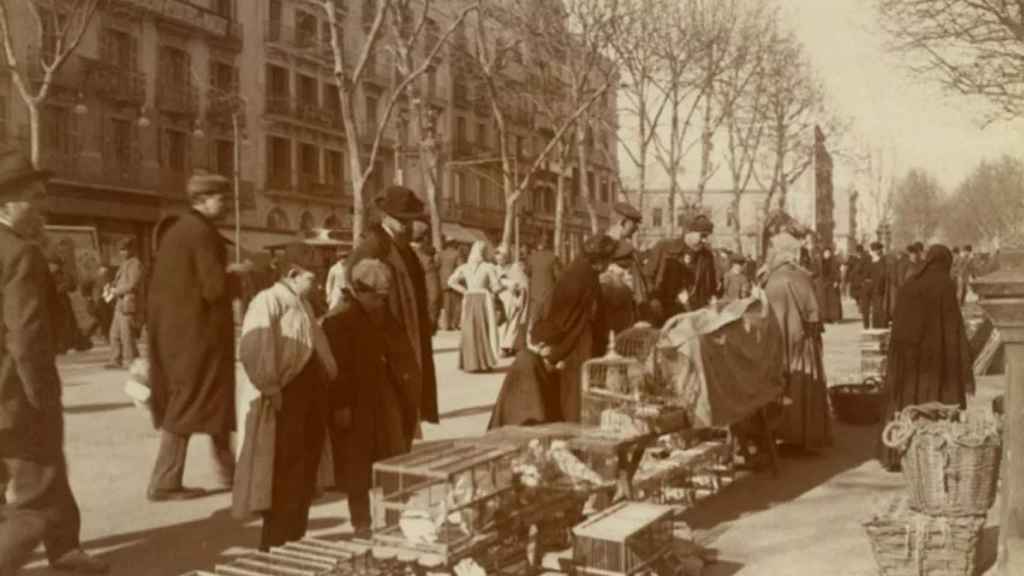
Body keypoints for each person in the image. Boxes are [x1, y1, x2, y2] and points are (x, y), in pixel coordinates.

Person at [0, 146, 109, 574]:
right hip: (16, 392)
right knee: (36, 492)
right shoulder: (20, 254)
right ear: (9, 202)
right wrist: (42, 395)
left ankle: (65, 549)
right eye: (37, 197)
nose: (45, 204)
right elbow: (26, 336)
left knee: (44, 472)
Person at [147, 173, 249, 501]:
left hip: (179, 334)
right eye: (221, 198)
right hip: (199, 336)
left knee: (210, 404)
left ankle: (232, 473)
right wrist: (238, 276)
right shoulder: (202, 234)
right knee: (189, 405)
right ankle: (164, 481)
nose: (227, 204)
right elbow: (213, 288)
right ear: (202, 200)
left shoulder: (177, 230)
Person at [233, 242, 338, 550]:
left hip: (310, 402)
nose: (318, 281)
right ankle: (275, 546)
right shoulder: (268, 302)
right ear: (293, 273)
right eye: (312, 275)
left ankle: (295, 541)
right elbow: (254, 349)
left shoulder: (303, 303)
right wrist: (272, 389)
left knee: (304, 477)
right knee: (284, 478)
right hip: (286, 401)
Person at [323, 259, 421, 537]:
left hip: (385, 398)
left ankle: (395, 518)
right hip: (355, 404)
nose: (381, 302)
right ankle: (362, 523)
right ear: (360, 291)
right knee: (357, 466)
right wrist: (340, 405)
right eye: (377, 298)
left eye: (384, 298)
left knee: (394, 459)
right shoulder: (338, 320)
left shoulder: (382, 314)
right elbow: (335, 370)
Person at [346, 185, 439, 428]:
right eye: (403, 221)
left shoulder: (403, 246)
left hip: (406, 336)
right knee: (390, 416)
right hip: (385, 343)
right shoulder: (374, 245)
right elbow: (355, 290)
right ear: (387, 217)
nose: (409, 227)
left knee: (406, 409)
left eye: (412, 221)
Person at [878, 245, 974, 471]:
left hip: (907, 360)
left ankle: (900, 450)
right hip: (935, 358)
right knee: (934, 401)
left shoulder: (909, 285)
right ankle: (931, 454)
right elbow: (952, 328)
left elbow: (898, 326)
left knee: (907, 403)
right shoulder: (944, 286)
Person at [531, 235, 616, 423]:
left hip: (581, 342)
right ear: (599, 260)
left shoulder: (585, 273)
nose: (609, 265)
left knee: (579, 395)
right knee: (574, 398)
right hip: (574, 347)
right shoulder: (578, 276)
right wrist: (551, 348)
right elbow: (561, 317)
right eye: (608, 260)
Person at [761, 232, 831, 452]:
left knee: (784, 383)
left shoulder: (772, 278)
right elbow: (814, 315)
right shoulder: (800, 277)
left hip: (777, 342)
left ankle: (782, 432)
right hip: (802, 342)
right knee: (804, 385)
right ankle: (804, 434)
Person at [448, 241, 501, 372]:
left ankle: (469, 363)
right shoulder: (489, 267)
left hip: (469, 298)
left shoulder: (464, 267)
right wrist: (501, 288)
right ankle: (484, 363)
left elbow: (450, 281)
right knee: (484, 329)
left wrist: (464, 290)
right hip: (483, 299)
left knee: (469, 330)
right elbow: (496, 286)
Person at [106, 238, 143, 370]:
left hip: (127, 304)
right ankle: (115, 359)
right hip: (119, 304)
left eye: (125, 249)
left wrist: (116, 291)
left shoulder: (135, 263)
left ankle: (130, 361)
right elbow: (120, 281)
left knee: (126, 334)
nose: (123, 252)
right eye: (121, 249)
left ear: (132, 249)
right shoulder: (124, 264)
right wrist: (111, 287)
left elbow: (133, 284)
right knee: (114, 334)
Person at [495, 246, 529, 357]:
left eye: (502, 257)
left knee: (514, 324)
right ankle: (503, 347)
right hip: (501, 299)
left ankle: (509, 346)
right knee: (503, 323)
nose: (499, 260)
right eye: (498, 257)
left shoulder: (516, 268)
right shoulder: (495, 269)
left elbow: (524, 284)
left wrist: (520, 296)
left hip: (514, 299)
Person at [412, 222, 441, 333]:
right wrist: (432, 320)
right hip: (420, 315)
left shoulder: (396, 255)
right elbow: (434, 294)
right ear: (425, 238)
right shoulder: (426, 260)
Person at [525, 237, 560, 327]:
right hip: (549, 291)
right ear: (547, 245)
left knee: (535, 317)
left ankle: (535, 338)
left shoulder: (531, 258)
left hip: (535, 292)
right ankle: (547, 338)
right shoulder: (553, 257)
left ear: (537, 246)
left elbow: (527, 273)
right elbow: (558, 275)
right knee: (548, 316)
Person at [437, 239, 463, 331]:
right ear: (453, 243)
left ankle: (447, 325)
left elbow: (436, 266)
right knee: (456, 304)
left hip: (443, 281)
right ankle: (454, 324)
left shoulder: (440, 254)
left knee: (446, 304)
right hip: (454, 281)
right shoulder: (457, 254)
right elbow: (460, 267)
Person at [861, 242, 888, 329]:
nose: (872, 252)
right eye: (872, 250)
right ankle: (866, 325)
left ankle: (876, 326)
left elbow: (883, 275)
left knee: (877, 307)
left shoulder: (882, 261)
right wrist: (863, 280)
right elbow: (858, 271)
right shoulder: (866, 260)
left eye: (875, 251)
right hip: (866, 287)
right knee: (865, 308)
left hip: (877, 287)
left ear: (878, 251)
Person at [816, 247, 843, 324]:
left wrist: (837, 281)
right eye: (826, 253)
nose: (828, 254)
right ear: (823, 253)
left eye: (829, 253)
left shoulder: (834, 262)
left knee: (833, 302)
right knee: (823, 302)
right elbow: (816, 272)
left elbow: (838, 272)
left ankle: (835, 318)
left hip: (832, 282)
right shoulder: (819, 262)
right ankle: (825, 318)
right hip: (822, 283)